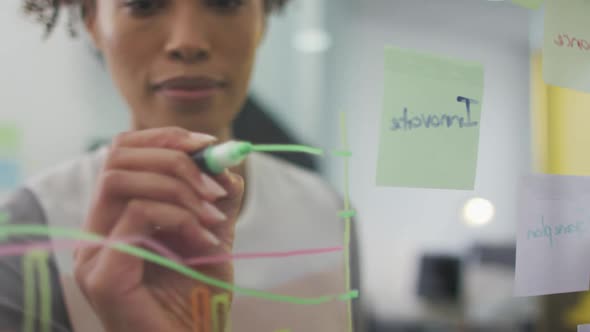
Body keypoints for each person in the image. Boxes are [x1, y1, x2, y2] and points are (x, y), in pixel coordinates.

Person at [0, 0, 365, 331]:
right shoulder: (29, 230)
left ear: (263, 19)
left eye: (225, 3)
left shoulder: (329, 214)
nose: (187, 42)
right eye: (144, 6)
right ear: (93, 22)